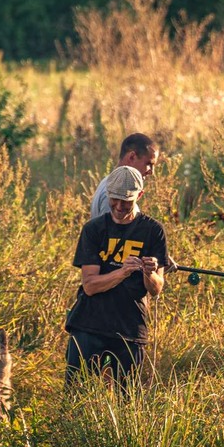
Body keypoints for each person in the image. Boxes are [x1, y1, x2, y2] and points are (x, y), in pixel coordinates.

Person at [66, 165, 177, 394]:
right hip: (89, 325)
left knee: (127, 400)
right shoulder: (94, 229)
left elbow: (156, 289)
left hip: (130, 328)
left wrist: (149, 273)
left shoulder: (153, 231)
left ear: (140, 196)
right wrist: (122, 272)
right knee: (75, 396)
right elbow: (90, 286)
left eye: (125, 201)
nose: (118, 207)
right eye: (114, 199)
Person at [90, 132, 160, 219]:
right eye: (148, 164)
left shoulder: (112, 185)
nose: (151, 172)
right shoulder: (113, 193)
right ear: (132, 157)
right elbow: (113, 231)